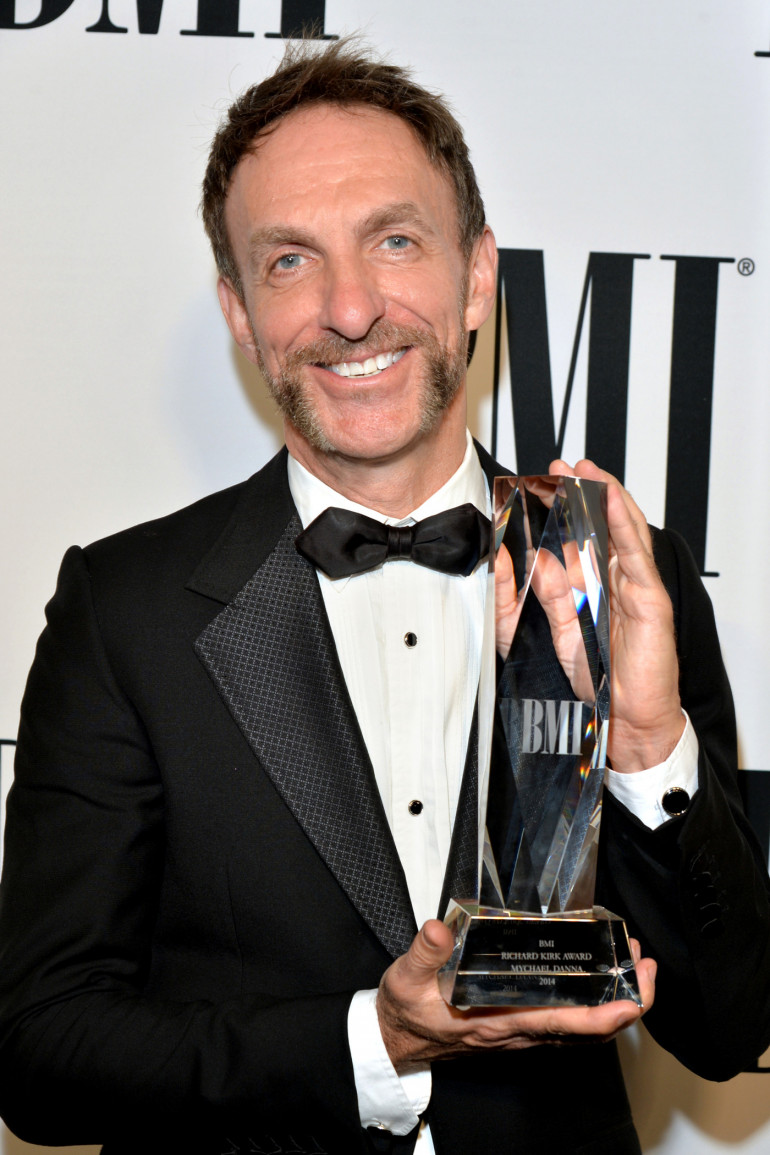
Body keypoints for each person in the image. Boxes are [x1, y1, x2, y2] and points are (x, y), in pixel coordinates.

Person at [1, 38, 769, 1155]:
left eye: (394, 241)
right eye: (289, 261)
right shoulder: (127, 612)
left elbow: (730, 1027)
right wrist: (376, 1042)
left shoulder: (619, 576)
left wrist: (648, 748)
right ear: (239, 312)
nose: (350, 309)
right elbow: (42, 1054)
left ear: (476, 276)